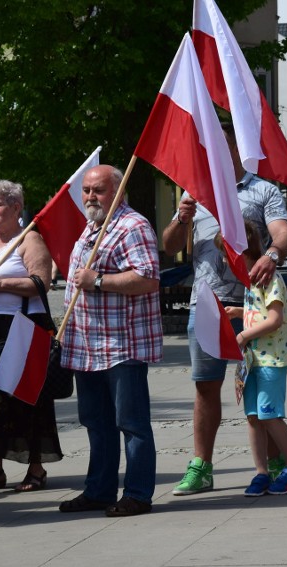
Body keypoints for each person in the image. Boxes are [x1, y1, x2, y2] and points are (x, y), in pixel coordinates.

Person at [163, 122, 287, 496]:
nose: (214, 155)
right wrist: (181, 217)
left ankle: (276, 466)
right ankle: (201, 467)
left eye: (222, 147)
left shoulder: (261, 190)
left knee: (259, 391)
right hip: (206, 306)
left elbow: (283, 233)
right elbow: (170, 243)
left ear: (236, 149)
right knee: (206, 388)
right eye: (208, 149)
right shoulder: (195, 192)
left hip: (250, 306)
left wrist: (272, 254)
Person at [58, 165, 163, 516]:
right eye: (87, 190)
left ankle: (137, 494)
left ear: (118, 191)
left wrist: (99, 280)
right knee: (96, 423)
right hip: (88, 347)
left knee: (131, 424)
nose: (90, 196)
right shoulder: (90, 228)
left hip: (122, 345)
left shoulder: (132, 226)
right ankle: (100, 490)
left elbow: (148, 278)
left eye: (98, 190)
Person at [0, 180, 63, 493]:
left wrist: (1, 284)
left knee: (27, 398)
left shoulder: (29, 239)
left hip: (22, 328)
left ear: (16, 207)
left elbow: (41, 284)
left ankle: (36, 468)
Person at [221, 223, 287, 495]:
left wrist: (244, 335)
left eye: (226, 254)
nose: (224, 260)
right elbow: (260, 311)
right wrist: (240, 311)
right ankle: (261, 472)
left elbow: (274, 319)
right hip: (253, 362)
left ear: (240, 251)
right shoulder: (250, 279)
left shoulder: (270, 279)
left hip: (271, 359)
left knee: (270, 415)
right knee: (253, 417)